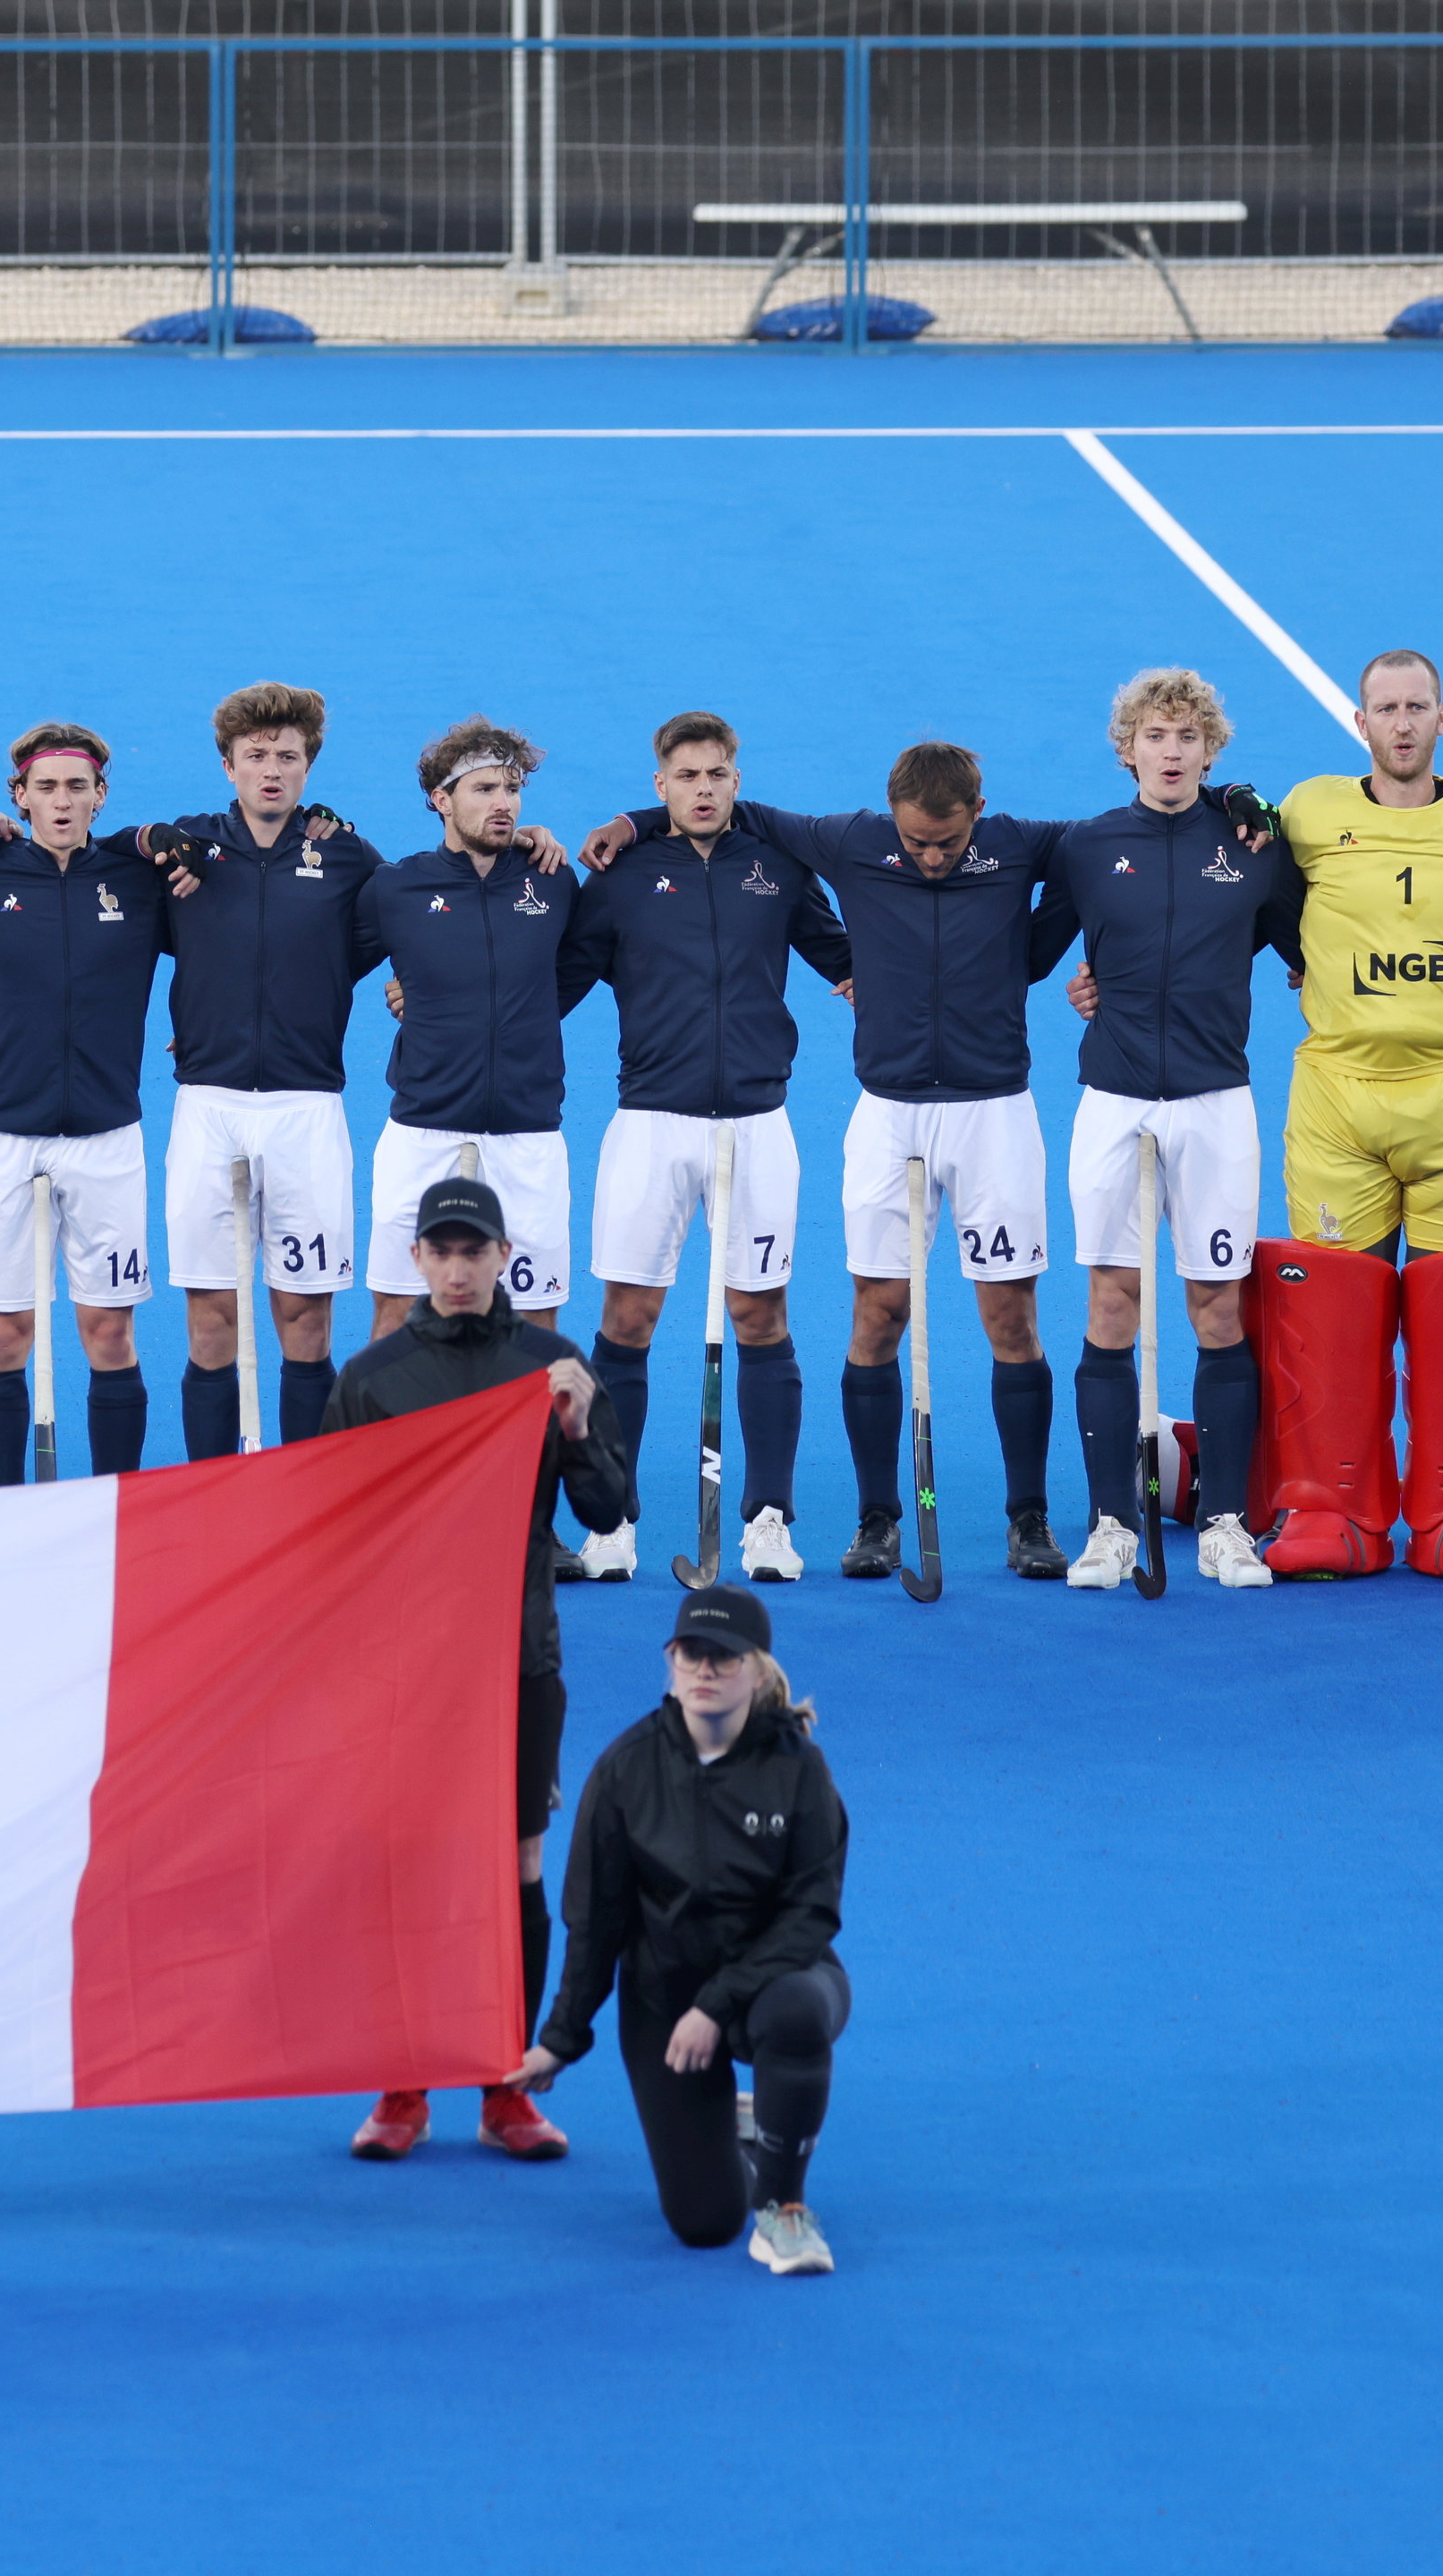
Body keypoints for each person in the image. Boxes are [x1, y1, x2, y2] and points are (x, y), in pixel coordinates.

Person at [587, 740, 1080, 1583]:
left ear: (978, 812)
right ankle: (878, 1518)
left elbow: (1111, 848)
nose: (931, 857)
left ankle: (1028, 1516)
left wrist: (1047, 946)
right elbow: (727, 812)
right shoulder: (851, 839)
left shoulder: (1019, 843)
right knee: (876, 1311)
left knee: (1010, 1318)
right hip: (885, 1117)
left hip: (994, 1115)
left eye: (948, 842)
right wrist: (635, 822)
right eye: (916, 842)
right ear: (891, 815)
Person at [318, 1174, 630, 2166]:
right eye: (439, 1250)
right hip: (403, 1663)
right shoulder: (370, 1378)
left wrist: (576, 1425)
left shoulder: (551, 1364)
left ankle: (504, 2080)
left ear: (505, 1258)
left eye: (474, 1250)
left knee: (517, 1863)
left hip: (517, 1656)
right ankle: (401, 2082)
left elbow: (607, 1512)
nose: (456, 1269)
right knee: (405, 1860)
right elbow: (328, 1521)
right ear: (414, 1259)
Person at [1251, 650, 1443, 1582]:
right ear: (1358, 720)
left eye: (1417, 706)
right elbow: (1251, 896)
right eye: (1386, 707)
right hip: (1338, 1093)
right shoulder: (1306, 811)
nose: (1403, 722)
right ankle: (1328, 1505)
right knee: (1331, 1301)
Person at [554, 713, 853, 1585]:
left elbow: (846, 962)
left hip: (758, 1127)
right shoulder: (617, 876)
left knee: (760, 1315)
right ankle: (611, 1522)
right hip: (649, 1126)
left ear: (735, 777)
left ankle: (766, 1518)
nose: (703, 788)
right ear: (660, 785)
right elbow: (549, 991)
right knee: (625, 1320)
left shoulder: (776, 866)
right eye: (686, 776)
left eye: (718, 773)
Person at [1030, 669, 1292, 1591]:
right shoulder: (1087, 846)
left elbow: (1302, 945)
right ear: (1125, 747)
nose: (1171, 750)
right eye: (1154, 734)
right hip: (1114, 1102)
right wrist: (1084, 984)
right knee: (1110, 1303)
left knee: (1216, 1306)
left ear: (1210, 750)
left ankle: (1223, 1519)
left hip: (1217, 1103)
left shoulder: (1255, 841)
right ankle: (1108, 1524)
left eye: (1187, 736)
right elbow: (1032, 952)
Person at [510, 1580, 850, 2278]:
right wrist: (560, 2037)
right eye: (691, 1654)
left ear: (757, 1670)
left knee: (794, 2017)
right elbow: (594, 1920)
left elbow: (811, 1913)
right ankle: (741, 2120)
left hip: (779, 1975)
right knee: (703, 2222)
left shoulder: (799, 1769)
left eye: (724, 1658)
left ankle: (785, 2205)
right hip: (666, 2002)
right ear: (670, 1661)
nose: (705, 1670)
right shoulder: (625, 1769)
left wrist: (717, 2003)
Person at [126, 682, 387, 1461]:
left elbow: (396, 924)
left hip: (308, 1111)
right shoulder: (189, 849)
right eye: (255, 757)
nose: (272, 770)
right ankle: (213, 1498)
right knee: (211, 1321)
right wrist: (148, 837)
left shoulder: (343, 852)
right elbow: (96, 876)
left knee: (305, 1320)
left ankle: (305, 1500)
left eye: (288, 756)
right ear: (227, 765)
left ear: (309, 766)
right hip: (208, 1109)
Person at [0, 723, 168, 1482]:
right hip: (5, 1136)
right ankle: (0, 1505)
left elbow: (226, 944)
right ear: (20, 796)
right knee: (3, 1335)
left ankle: (119, 1504)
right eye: (46, 786)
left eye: (78, 786)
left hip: (108, 1137)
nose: (63, 799)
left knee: (109, 1333)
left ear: (102, 796)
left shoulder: (140, 879)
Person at [361, 722, 588, 1343]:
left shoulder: (552, 879)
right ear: (441, 798)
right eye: (485, 788)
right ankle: (401, 1446)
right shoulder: (396, 888)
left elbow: (577, 968)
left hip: (528, 1132)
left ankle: (526, 1446)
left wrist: (517, 1011)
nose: (504, 803)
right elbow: (317, 969)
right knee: (395, 1318)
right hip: (422, 1130)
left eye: (513, 789)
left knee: (537, 1321)